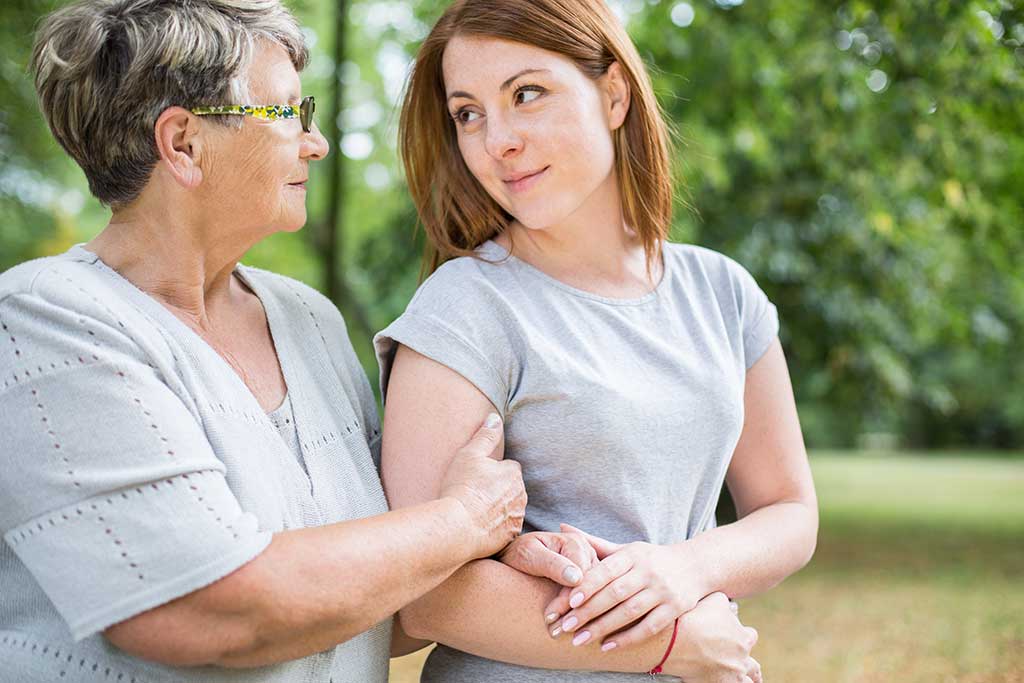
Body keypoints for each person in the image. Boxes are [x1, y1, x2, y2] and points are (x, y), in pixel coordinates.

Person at [0, 1, 533, 681]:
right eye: (288, 114)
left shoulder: (309, 320)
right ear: (183, 144)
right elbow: (207, 609)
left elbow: (385, 597)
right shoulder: (46, 321)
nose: (316, 143)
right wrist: (463, 519)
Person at [374, 0, 819, 681]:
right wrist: (666, 639)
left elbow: (790, 510)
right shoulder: (464, 308)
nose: (498, 140)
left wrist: (682, 568)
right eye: (469, 113)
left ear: (614, 94)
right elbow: (417, 595)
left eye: (527, 94)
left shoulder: (723, 293)